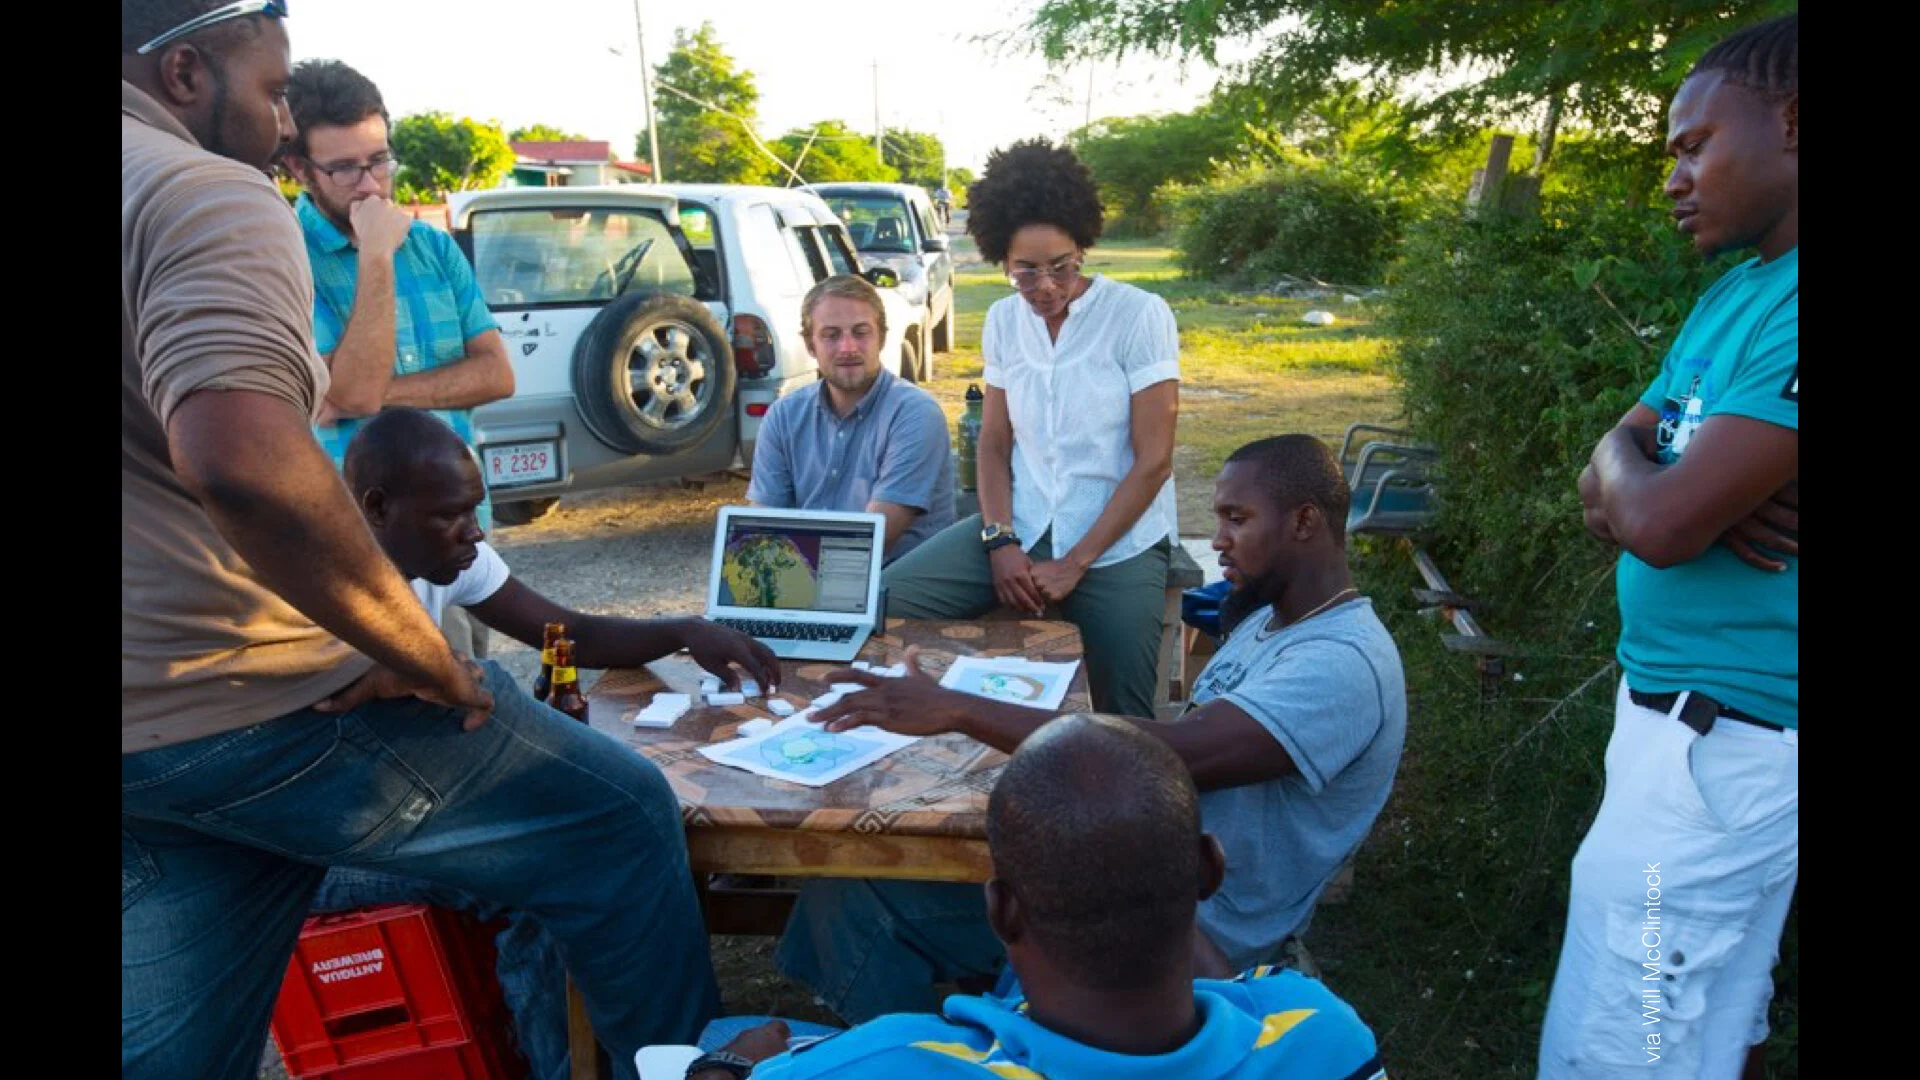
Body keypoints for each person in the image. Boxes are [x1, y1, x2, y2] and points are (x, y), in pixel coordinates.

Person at [121, 6, 716, 1077]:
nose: (277, 137)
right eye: (271, 98)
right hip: (249, 694)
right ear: (184, 71)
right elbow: (246, 459)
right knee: (619, 817)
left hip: (144, 733)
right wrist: (420, 657)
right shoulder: (205, 190)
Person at [776, 435, 1406, 1022]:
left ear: (1304, 522)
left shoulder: (1340, 663)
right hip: (1113, 873)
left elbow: (1177, 752)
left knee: (876, 893)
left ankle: (970, 1043)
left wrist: (957, 708)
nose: (1218, 540)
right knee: (852, 886)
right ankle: (920, 1045)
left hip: (1169, 931)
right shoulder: (1271, 622)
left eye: (1237, 520)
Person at [309, 407, 780, 1080]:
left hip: (396, 810)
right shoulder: (319, 582)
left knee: (587, 841)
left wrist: (684, 628)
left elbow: (568, 632)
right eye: (452, 515)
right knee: (559, 861)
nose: (474, 532)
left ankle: (655, 1055)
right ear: (377, 508)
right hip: (321, 845)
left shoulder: (439, 550)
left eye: (476, 509)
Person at [1545, 15, 1798, 1080]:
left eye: (1695, 146)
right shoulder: (1735, 294)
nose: (1674, 178)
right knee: (1694, 1031)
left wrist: (1654, 490)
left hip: (1723, 748)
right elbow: (1608, 481)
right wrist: (1634, 465)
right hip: (1670, 732)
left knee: (1624, 1045)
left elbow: (1650, 522)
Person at [693, 714, 1387, 1080]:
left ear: (1001, 911)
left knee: (722, 1037)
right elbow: (1236, 996)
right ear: (1210, 870)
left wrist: (729, 1069)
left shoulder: (892, 1059)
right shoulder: (1326, 1034)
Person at [881, 138, 1180, 719]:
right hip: (1022, 522)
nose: (1046, 286)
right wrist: (1000, 540)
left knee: (1126, 714)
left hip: (1117, 542)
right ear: (1001, 260)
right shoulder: (1002, 321)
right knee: (882, 603)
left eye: (1062, 266)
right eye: (1026, 271)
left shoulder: (1139, 316)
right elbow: (993, 443)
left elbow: (1154, 461)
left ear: (1083, 247)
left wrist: (1076, 563)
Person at [282, 57, 514, 654]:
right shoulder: (282, 257)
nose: (369, 185)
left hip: (453, 532)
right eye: (344, 169)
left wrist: (356, 393)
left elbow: (496, 374)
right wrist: (376, 257)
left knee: (471, 689)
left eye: (379, 159)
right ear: (299, 168)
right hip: (354, 548)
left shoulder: (434, 249)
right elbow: (350, 392)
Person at [747, 274, 955, 562]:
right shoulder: (784, 415)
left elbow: (872, 540)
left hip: (892, 585)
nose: (848, 348)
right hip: (808, 580)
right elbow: (764, 528)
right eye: (831, 335)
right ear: (810, 345)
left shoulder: (914, 414)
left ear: (881, 337)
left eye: (860, 332)